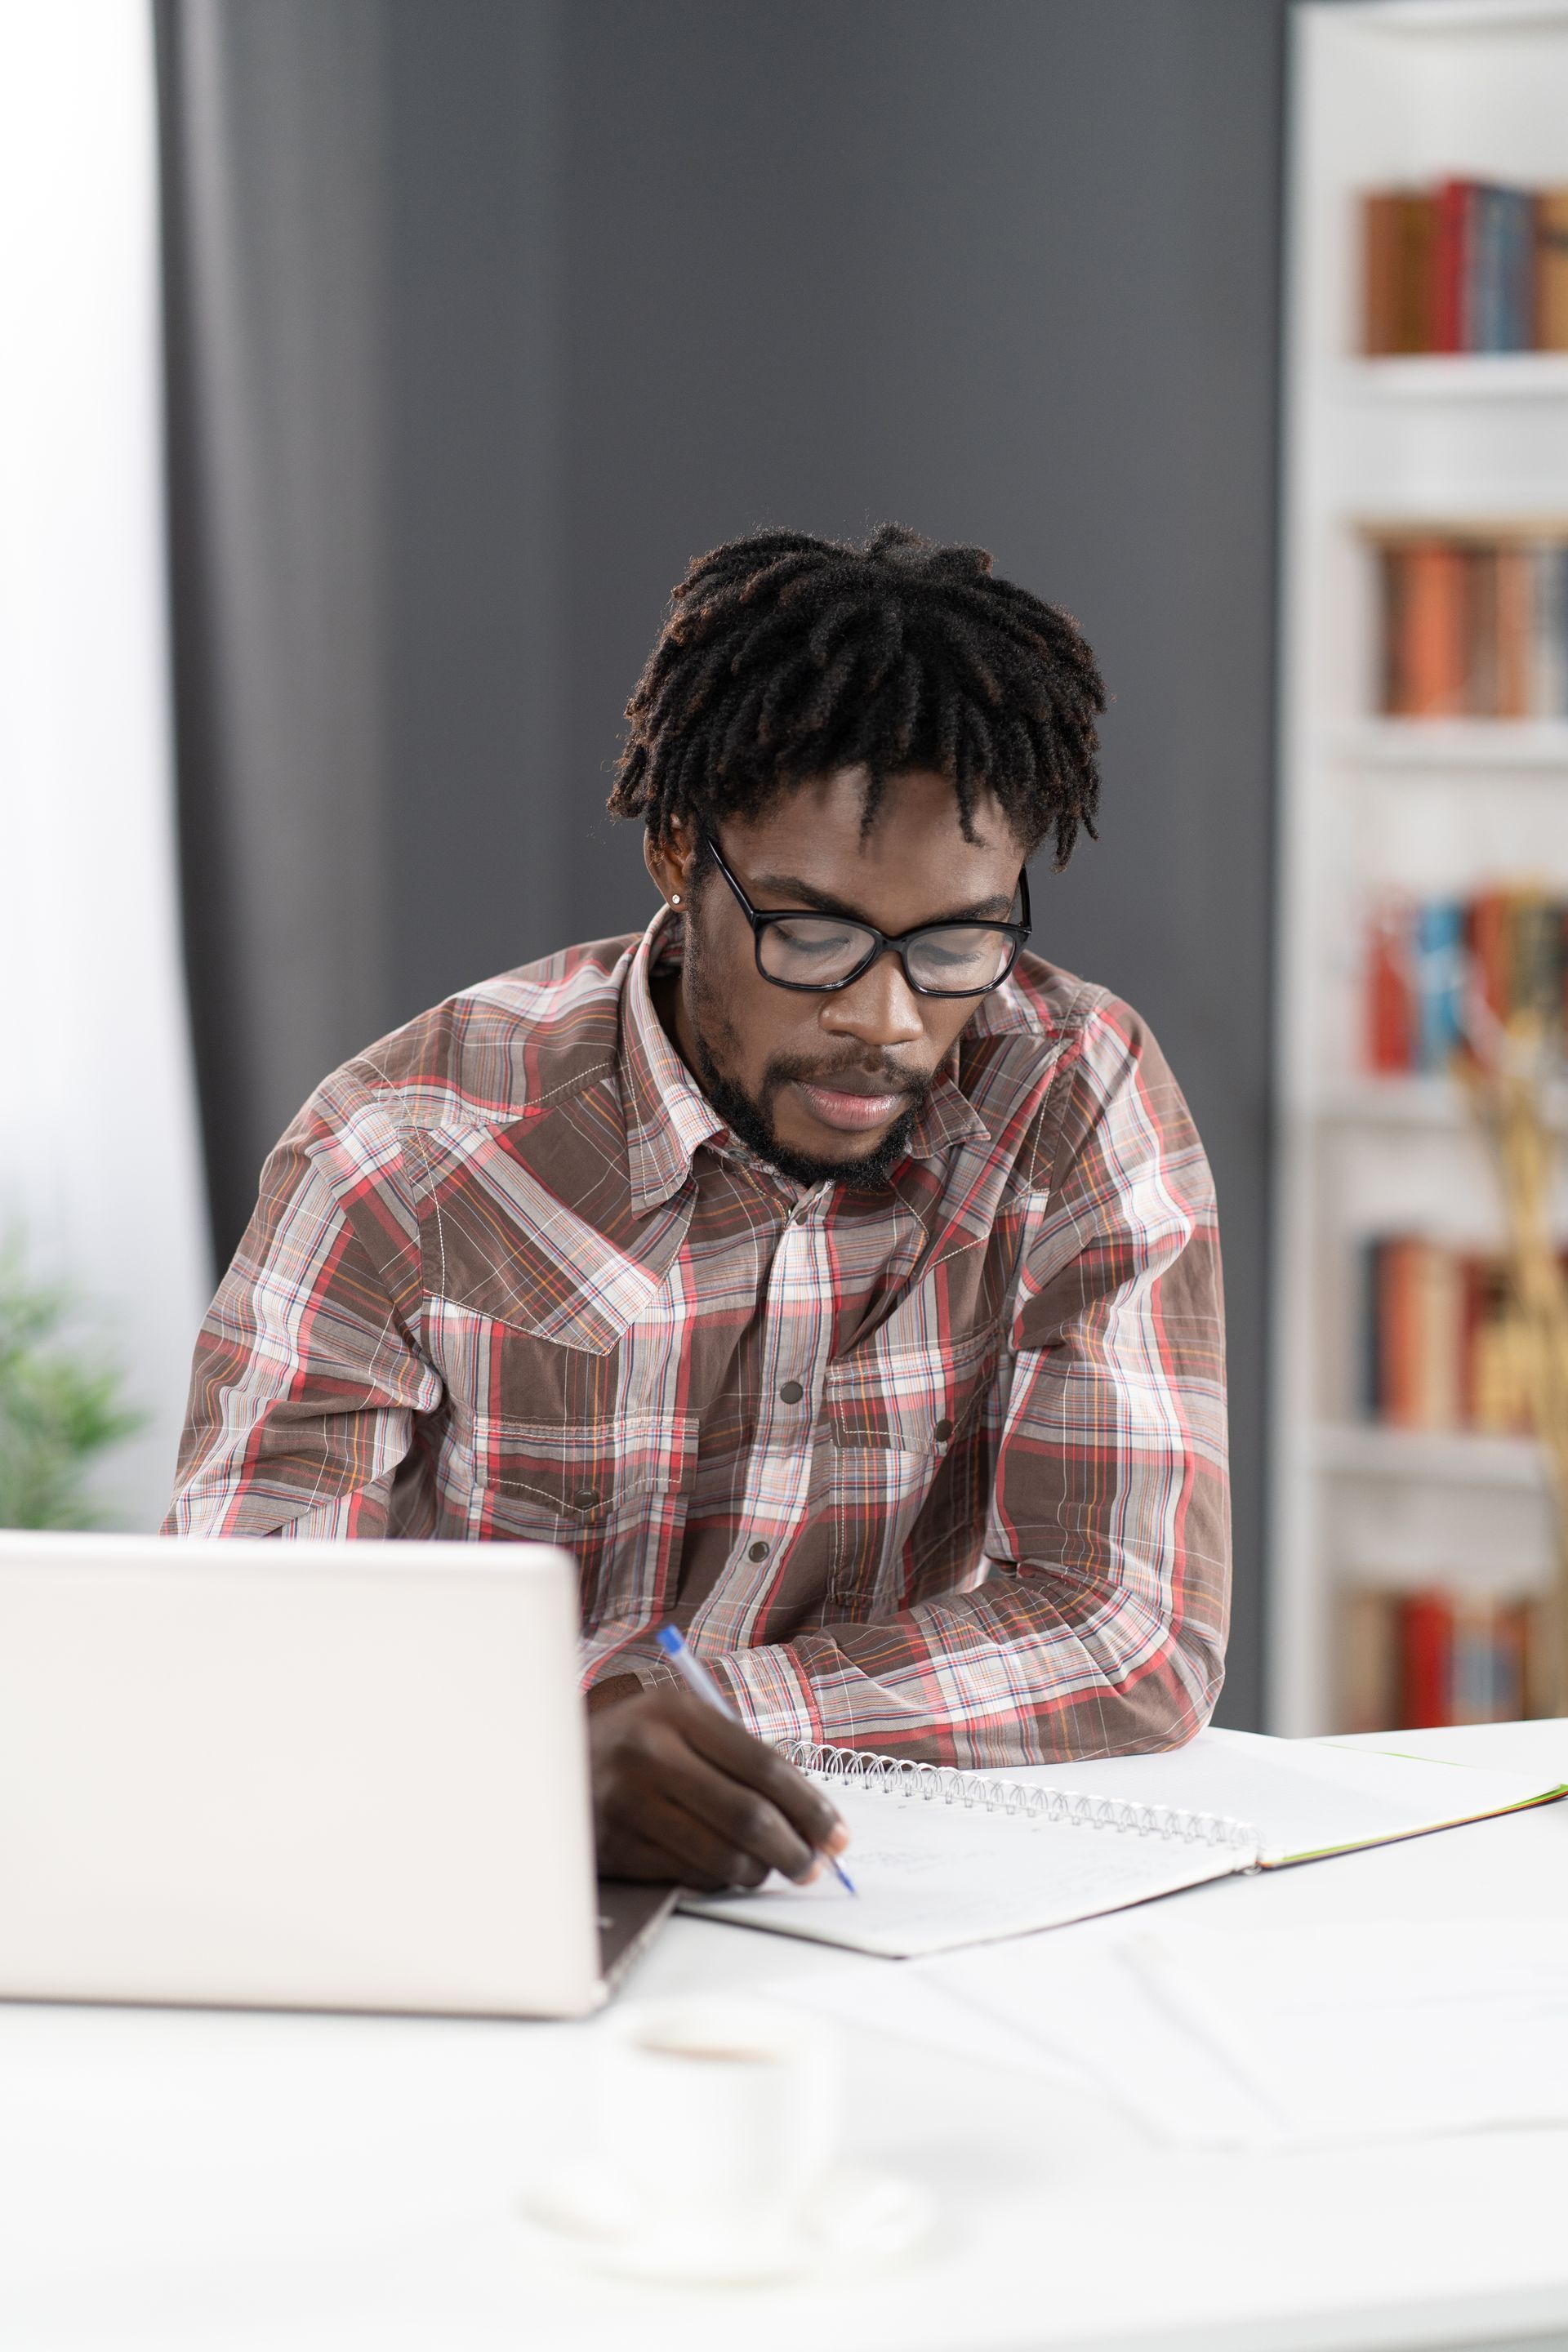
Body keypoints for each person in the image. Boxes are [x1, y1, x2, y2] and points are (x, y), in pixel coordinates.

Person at [167, 524, 1230, 1892]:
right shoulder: (407, 1151)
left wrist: (679, 1720)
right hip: (456, 1877)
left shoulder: (1070, 1096)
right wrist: (529, 1769)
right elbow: (233, 1646)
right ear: (680, 852)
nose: (886, 1018)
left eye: (957, 942)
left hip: (871, 1895)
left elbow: (1132, 1628)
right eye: (812, 933)